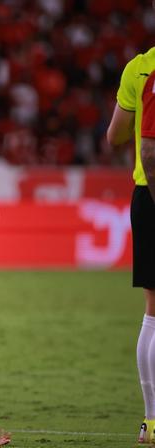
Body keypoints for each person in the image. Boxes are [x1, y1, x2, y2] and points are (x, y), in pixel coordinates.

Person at [106, 46, 155, 443]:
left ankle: (151, 420)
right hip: (153, 191)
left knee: (153, 313)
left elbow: (115, 135)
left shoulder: (139, 68)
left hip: (145, 191)